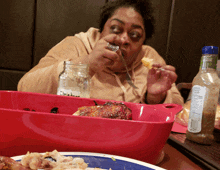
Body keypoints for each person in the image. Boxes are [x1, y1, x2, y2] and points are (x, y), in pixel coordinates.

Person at [17, 0, 184, 105]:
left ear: (142, 42)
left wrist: (155, 99)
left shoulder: (149, 56)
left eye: (135, 35)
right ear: (101, 30)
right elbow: (24, 89)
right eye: (115, 29)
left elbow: (178, 109)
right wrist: (86, 65)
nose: (124, 39)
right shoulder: (76, 45)